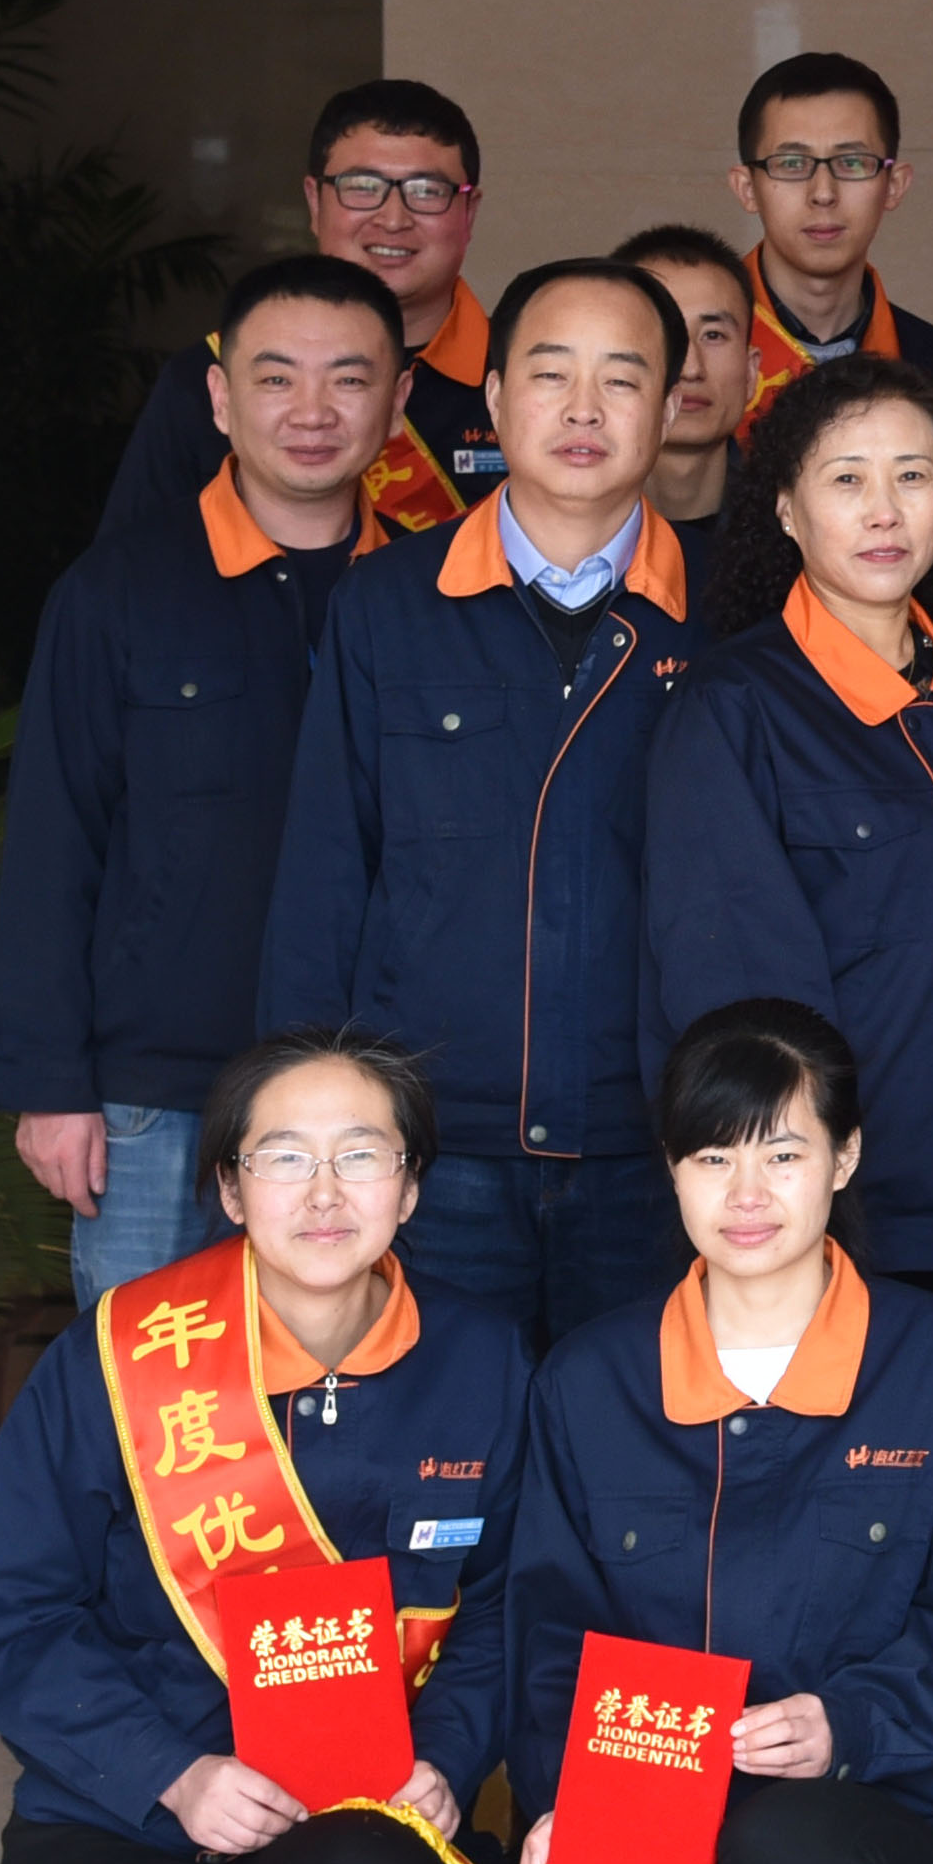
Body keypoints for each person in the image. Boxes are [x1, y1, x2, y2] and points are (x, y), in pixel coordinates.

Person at [0, 1031, 522, 1864]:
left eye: (362, 1155)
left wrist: (448, 1759)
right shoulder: (119, 1357)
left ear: (411, 1187)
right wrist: (170, 1774)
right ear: (227, 1187)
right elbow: (7, 1616)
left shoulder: (482, 1357)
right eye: (284, 1157)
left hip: (344, 1824)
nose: (325, 1193)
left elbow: (514, 1603)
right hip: (123, 1819)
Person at [501, 1002, 933, 1864]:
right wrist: (562, 1808)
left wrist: (851, 1723)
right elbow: (550, 1633)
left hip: (873, 1824)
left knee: (785, 1843)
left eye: (783, 1152)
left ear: (845, 1158)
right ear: (671, 1169)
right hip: (652, 1814)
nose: (746, 1192)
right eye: (710, 1155)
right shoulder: (591, 1378)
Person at [260, 256, 703, 1345]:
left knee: (631, 1436)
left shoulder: (727, 616)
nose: (584, 409)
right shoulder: (386, 605)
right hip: (431, 1146)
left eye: (622, 378)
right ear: (496, 398)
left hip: (653, 1152)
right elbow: (326, 875)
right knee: (436, 1433)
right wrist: (304, 1130)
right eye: (550, 375)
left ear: (668, 410)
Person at [0, 257, 403, 1295]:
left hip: (369, 1094)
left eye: (348, 379)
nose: (312, 410)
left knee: (351, 1379)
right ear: (218, 398)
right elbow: (52, 842)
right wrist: (51, 1085)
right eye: (275, 377)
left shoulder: (426, 595)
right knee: (153, 1384)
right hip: (152, 1097)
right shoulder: (117, 591)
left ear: (396, 402)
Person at [645, 359, 933, 1332]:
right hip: (840, 1226)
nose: (883, 511)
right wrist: (798, 1205)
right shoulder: (734, 706)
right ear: (786, 509)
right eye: (846, 479)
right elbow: (734, 992)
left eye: (913, 476)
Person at [105, 78, 505, 535]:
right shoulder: (209, 377)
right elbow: (132, 566)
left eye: (427, 191)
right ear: (314, 202)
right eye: (362, 186)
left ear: (469, 212)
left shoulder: (528, 374)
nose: (394, 219)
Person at [723, 51, 933, 410]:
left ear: (894, 185)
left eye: (851, 162)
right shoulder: (692, 355)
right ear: (747, 189)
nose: (823, 193)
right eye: (792, 163)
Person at [609, 220, 765, 570]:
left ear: (751, 372)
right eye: (667, 335)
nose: (691, 368)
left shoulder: (796, 530)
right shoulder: (560, 532)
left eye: (713, 335)